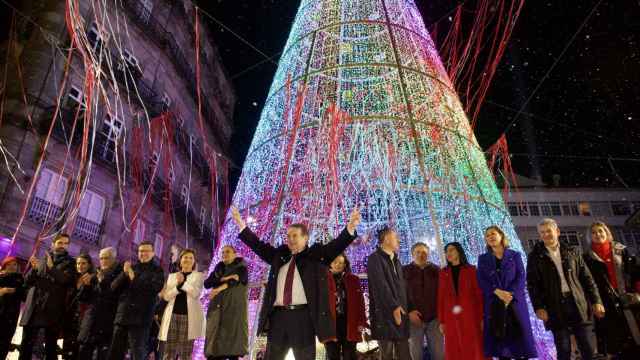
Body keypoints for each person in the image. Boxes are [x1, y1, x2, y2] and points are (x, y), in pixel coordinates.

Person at [230, 205, 361, 360]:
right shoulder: (280, 255)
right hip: (278, 317)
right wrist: (241, 225)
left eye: (295, 236)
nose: (290, 239)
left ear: (305, 238)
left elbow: (335, 246)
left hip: (303, 318)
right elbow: (259, 247)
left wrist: (350, 228)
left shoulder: (315, 256)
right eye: (288, 236)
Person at [526, 218, 604, 360]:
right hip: (554, 307)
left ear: (557, 231)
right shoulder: (535, 256)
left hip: (578, 303)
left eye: (548, 231)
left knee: (588, 348)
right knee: (563, 349)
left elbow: (587, 279)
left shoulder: (572, 251)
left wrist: (596, 301)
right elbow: (532, 285)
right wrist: (539, 307)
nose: (545, 235)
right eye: (542, 232)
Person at [477, 226, 537, 360]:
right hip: (495, 304)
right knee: (501, 344)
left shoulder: (514, 255)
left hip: (514, 302)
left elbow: (521, 276)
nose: (491, 237)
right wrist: (497, 292)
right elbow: (482, 280)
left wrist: (510, 294)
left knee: (520, 343)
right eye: (487, 235)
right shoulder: (483, 258)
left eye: (493, 233)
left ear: (501, 235)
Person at [583, 221, 640, 358]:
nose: (598, 234)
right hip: (605, 303)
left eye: (600, 231)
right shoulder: (587, 258)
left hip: (629, 300)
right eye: (594, 233)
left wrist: (638, 293)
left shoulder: (621, 250)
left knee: (635, 335)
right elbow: (587, 283)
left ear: (607, 232)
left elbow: (636, 273)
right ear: (590, 237)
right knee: (616, 342)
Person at [20, 233, 76, 360]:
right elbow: (27, 282)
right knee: (25, 347)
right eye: (60, 243)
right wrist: (34, 269)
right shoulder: (43, 259)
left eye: (66, 243)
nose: (63, 246)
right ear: (53, 244)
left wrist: (51, 268)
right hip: (33, 309)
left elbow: (65, 280)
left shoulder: (71, 263)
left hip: (52, 311)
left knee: (50, 348)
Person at [108, 241, 164, 360]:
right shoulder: (131, 267)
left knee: (138, 352)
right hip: (123, 316)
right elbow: (113, 287)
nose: (143, 253)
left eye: (146, 251)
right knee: (115, 352)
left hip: (141, 319)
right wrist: (124, 273)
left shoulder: (157, 271)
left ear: (153, 253)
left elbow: (153, 289)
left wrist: (133, 277)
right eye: (141, 251)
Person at [367, 227, 412, 360]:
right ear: (386, 239)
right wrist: (394, 307)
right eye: (395, 237)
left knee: (404, 354)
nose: (398, 240)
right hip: (385, 316)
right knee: (387, 355)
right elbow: (381, 286)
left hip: (401, 314)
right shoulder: (374, 259)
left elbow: (402, 287)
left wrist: (407, 308)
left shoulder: (396, 261)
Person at [437, 242, 484, 360]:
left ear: (459, 251)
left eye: (451, 250)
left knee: (475, 347)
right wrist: (442, 321)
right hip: (451, 318)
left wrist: (482, 317)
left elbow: (479, 295)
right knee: (454, 348)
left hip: (471, 316)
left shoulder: (471, 270)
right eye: (446, 251)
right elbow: (441, 298)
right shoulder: (443, 272)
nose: (448, 253)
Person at [158, 248, 205, 359]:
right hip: (172, 315)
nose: (187, 260)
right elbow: (167, 296)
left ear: (194, 262)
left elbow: (196, 294)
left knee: (185, 352)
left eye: (190, 258)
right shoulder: (172, 276)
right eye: (185, 257)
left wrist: (183, 283)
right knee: (169, 351)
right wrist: (178, 287)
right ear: (180, 260)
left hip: (189, 317)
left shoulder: (198, 276)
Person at [204, 245, 249, 360]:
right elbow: (207, 283)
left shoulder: (242, 268)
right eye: (223, 252)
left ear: (235, 254)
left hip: (233, 311)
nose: (224, 254)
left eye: (228, 252)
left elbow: (235, 281)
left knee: (232, 348)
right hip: (218, 310)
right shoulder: (218, 269)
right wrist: (223, 279)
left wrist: (218, 288)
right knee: (215, 347)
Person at [77, 247, 123, 360]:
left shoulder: (120, 275)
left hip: (107, 324)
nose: (103, 261)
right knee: (83, 353)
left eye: (106, 258)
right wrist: (86, 286)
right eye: (101, 258)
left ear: (114, 258)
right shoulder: (95, 274)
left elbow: (112, 295)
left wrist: (102, 282)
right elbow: (84, 298)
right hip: (90, 323)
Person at [403, 243, 444, 360]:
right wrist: (409, 312)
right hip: (413, 321)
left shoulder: (437, 271)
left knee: (439, 354)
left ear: (428, 254)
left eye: (424, 252)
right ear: (412, 254)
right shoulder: (404, 271)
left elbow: (443, 294)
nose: (421, 255)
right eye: (418, 252)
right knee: (415, 355)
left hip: (434, 320)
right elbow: (400, 294)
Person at [325, 253, 367, 360]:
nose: (338, 265)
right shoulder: (323, 280)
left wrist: (361, 322)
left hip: (350, 324)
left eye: (341, 263)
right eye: (335, 262)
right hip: (331, 325)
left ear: (345, 265)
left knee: (350, 355)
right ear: (330, 263)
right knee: (332, 355)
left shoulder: (353, 280)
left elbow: (360, 303)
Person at [63, 253, 96, 360]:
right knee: (67, 351)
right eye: (78, 263)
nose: (80, 266)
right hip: (70, 319)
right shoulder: (73, 278)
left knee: (78, 353)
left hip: (82, 322)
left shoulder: (93, 279)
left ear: (89, 265)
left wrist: (87, 286)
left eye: (83, 263)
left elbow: (88, 299)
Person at [0, 256, 25, 359]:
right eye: (9, 264)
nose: (12, 267)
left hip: (12, 315)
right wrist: (2, 291)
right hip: (1, 311)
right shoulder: (0, 277)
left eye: (14, 264)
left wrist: (16, 291)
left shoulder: (20, 279)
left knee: (5, 342)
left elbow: (24, 296)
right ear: (4, 266)